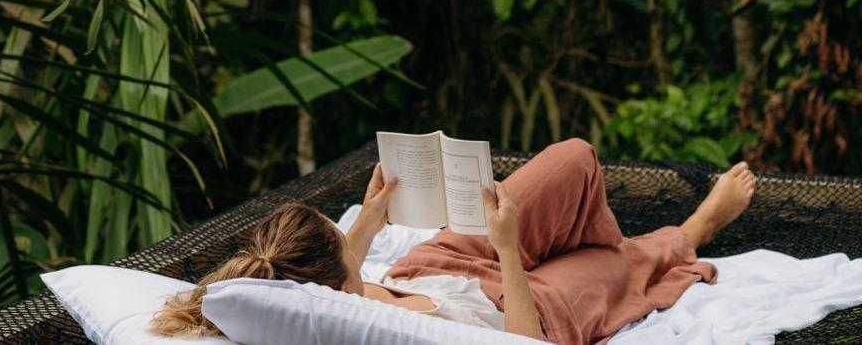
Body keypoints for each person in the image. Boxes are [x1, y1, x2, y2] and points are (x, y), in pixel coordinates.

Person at [151, 138, 755, 343]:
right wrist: (512, 248)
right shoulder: (356, 328)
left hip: (438, 264)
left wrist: (374, 215)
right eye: (344, 243)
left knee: (574, 159)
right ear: (335, 286)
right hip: (524, 311)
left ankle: (571, 231)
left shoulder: (304, 282)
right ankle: (701, 224)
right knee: (610, 266)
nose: (350, 242)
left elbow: (339, 273)